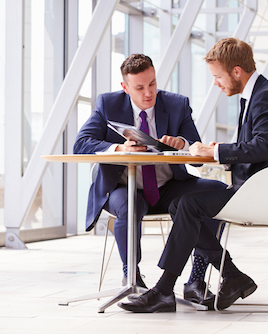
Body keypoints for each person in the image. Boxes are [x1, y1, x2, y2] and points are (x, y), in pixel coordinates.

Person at [118, 37, 268, 313]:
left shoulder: (267, 97)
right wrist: (217, 151)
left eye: (218, 76)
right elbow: (259, 148)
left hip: (267, 194)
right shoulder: (257, 95)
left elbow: (264, 147)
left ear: (236, 71)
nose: (216, 83)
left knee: (188, 204)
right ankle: (229, 275)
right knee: (183, 204)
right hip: (261, 188)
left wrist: (216, 153)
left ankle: (165, 290)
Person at [73, 54, 227, 289]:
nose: (148, 93)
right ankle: (131, 276)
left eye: (152, 84)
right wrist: (119, 147)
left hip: (168, 188)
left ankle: (197, 278)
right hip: (123, 188)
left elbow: (197, 156)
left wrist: (182, 144)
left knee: (217, 192)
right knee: (129, 205)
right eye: (140, 87)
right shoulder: (108, 104)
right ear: (125, 87)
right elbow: (81, 144)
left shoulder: (177, 105)